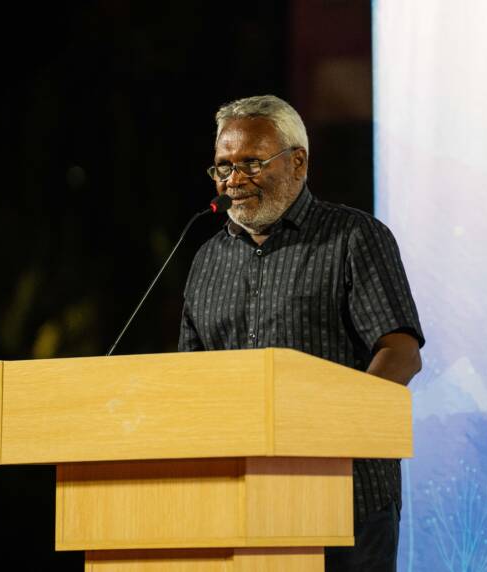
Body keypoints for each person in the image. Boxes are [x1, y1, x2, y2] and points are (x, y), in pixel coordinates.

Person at [178, 94, 425, 572]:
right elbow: (192, 378)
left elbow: (401, 352)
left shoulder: (354, 237)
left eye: (251, 163)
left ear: (297, 162)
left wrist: (332, 427)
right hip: (239, 501)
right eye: (223, 167)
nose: (234, 180)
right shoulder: (206, 260)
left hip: (348, 496)